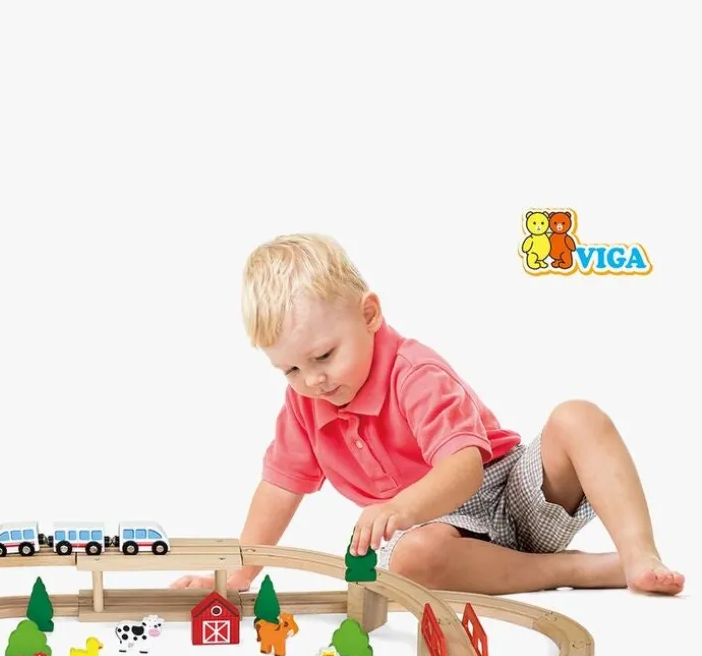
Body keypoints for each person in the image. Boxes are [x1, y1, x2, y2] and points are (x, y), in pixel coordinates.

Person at [172, 233, 684, 597]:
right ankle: (573, 570)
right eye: (290, 369)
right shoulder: (306, 404)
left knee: (577, 416)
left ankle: (639, 552)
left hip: (507, 492)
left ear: (369, 315)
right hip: (436, 536)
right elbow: (279, 489)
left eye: (324, 356)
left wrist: (401, 507)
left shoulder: (413, 372)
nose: (313, 381)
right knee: (411, 561)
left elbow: (464, 470)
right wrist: (238, 573)